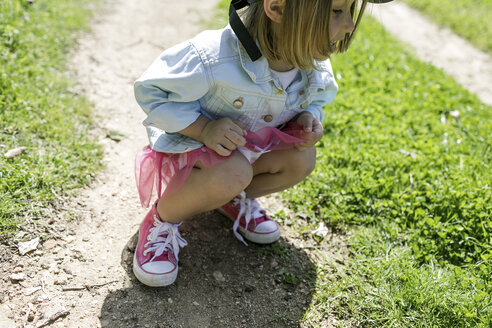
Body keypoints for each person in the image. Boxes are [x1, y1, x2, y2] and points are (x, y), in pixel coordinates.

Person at [132, 0, 393, 287]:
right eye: (336, 11)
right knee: (233, 173)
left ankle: (227, 197)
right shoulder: (213, 58)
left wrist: (308, 118)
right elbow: (151, 91)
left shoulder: (313, 65)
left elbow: (316, 102)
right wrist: (204, 128)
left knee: (301, 158)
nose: (350, 25)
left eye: (349, 12)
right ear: (277, 8)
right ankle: (162, 218)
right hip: (193, 158)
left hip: (245, 155)